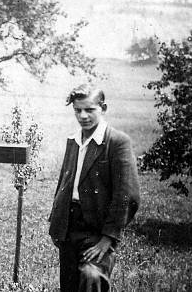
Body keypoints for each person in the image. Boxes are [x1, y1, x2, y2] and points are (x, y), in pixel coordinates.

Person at [49, 84, 140, 292]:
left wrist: (108, 238)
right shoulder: (73, 141)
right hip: (69, 226)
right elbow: (64, 183)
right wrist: (57, 222)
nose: (83, 116)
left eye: (90, 110)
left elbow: (127, 195)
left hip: (97, 230)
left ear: (103, 108)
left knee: (92, 279)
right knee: (70, 285)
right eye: (77, 110)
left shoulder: (117, 142)